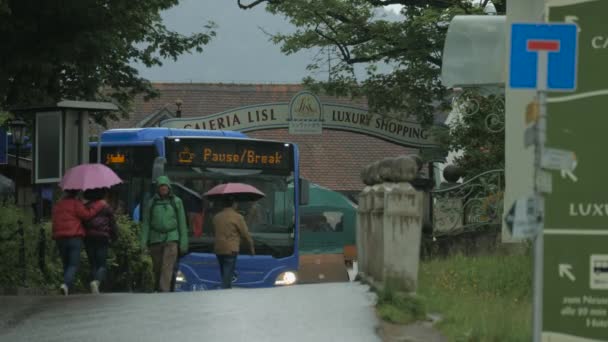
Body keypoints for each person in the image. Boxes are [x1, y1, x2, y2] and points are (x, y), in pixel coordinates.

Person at [52, 189, 107, 296]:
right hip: (74, 237)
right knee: (73, 264)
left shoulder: (58, 205)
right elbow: (87, 215)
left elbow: (55, 220)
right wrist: (99, 205)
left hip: (60, 238)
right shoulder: (76, 203)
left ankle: (68, 288)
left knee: (66, 264)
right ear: (76, 193)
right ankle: (66, 285)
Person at [141, 176, 189, 292]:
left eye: (165, 186)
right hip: (155, 239)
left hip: (172, 239)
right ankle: (159, 288)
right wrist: (143, 243)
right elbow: (146, 223)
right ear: (157, 188)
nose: (163, 188)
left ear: (169, 187)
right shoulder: (151, 203)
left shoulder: (177, 202)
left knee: (167, 268)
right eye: (161, 186)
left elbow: (182, 223)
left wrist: (183, 243)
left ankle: (163, 291)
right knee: (157, 268)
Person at [212, 196, 255, 289]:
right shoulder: (238, 217)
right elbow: (245, 234)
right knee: (228, 273)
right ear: (234, 204)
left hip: (218, 249)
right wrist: (251, 248)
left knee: (223, 272)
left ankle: (225, 287)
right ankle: (225, 292)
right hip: (231, 249)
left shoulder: (216, 217)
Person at [82, 188, 118, 294]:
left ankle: (94, 284)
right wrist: (115, 236)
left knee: (93, 264)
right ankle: (96, 282)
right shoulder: (105, 206)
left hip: (88, 237)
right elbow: (113, 223)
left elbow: (83, 221)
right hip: (102, 237)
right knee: (102, 264)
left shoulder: (86, 207)